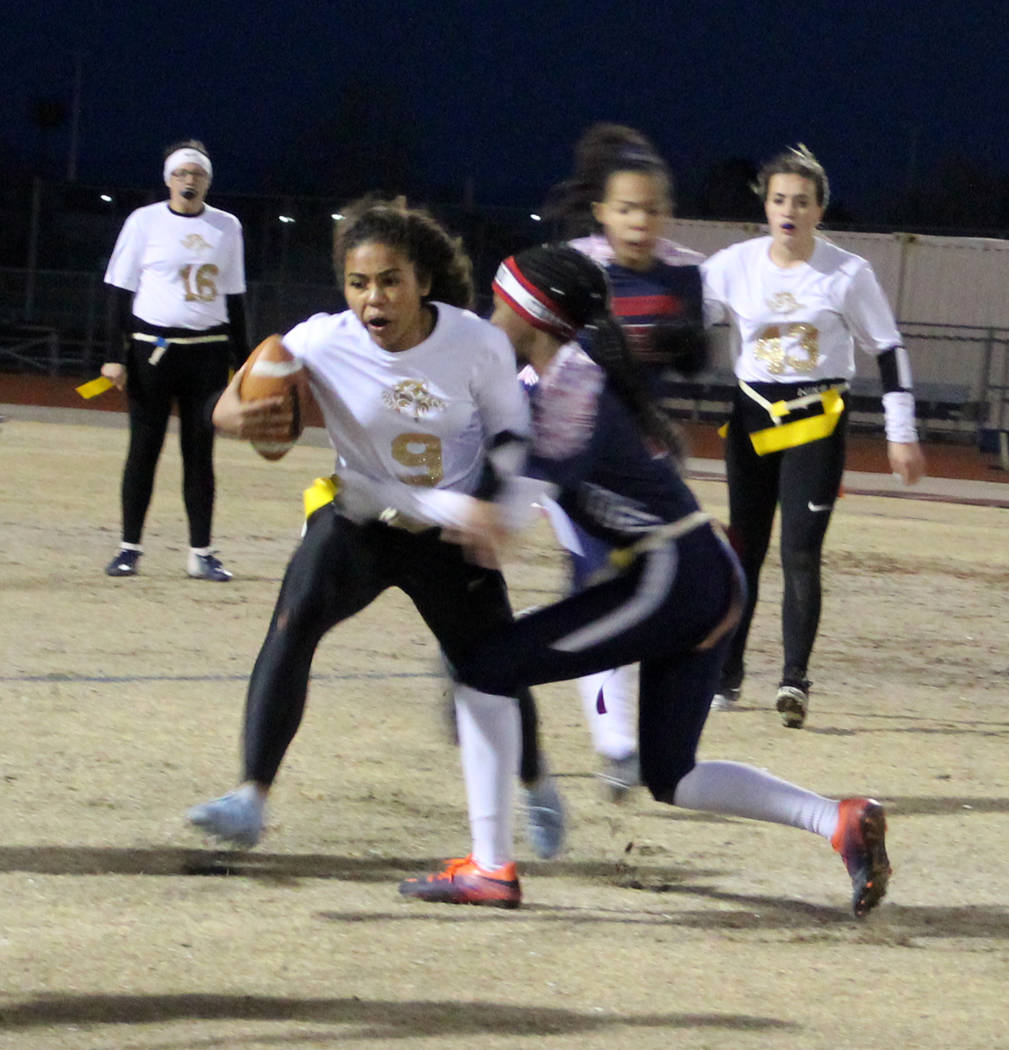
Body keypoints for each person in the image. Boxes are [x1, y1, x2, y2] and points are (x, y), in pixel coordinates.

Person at [398, 244, 891, 919]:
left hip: (672, 575)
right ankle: (836, 819)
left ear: (533, 316)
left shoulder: (567, 392)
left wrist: (383, 491)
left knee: (485, 670)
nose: (488, 317)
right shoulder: (561, 377)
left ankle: (490, 869)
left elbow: (500, 522)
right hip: (692, 571)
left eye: (497, 304)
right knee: (670, 774)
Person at [187, 198, 565, 889]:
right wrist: (243, 413)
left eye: (389, 280)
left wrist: (494, 504)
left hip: (448, 534)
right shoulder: (321, 340)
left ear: (420, 281)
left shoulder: (475, 342)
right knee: (292, 621)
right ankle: (249, 795)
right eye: (358, 284)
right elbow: (222, 407)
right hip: (359, 521)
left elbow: (513, 433)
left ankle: (536, 780)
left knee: (490, 668)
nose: (372, 299)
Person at [702, 145, 926, 726]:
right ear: (766, 205)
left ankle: (793, 681)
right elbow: (680, 311)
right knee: (742, 548)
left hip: (815, 419)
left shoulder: (847, 273)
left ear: (819, 210)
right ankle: (725, 676)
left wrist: (902, 433)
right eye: (779, 199)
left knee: (800, 550)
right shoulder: (734, 264)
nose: (789, 210)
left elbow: (890, 349)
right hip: (751, 416)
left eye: (802, 201)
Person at [539, 124, 708, 798]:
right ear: (601, 211)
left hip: (647, 460)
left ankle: (625, 734)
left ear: (666, 213)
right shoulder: (574, 267)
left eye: (652, 209)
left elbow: (695, 362)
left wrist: (687, 344)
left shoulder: (683, 273)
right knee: (598, 590)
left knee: (654, 598)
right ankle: (615, 746)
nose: (640, 222)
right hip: (576, 458)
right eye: (626, 208)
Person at [101, 139, 248, 582]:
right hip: (153, 351)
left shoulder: (227, 227)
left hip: (207, 353)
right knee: (143, 450)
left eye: (197, 174)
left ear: (207, 181)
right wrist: (114, 355)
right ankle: (129, 548)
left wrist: (245, 361)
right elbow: (119, 292)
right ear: (168, 178)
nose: (189, 181)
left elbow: (236, 297)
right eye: (182, 173)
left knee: (200, 455)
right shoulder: (143, 222)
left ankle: (200, 552)